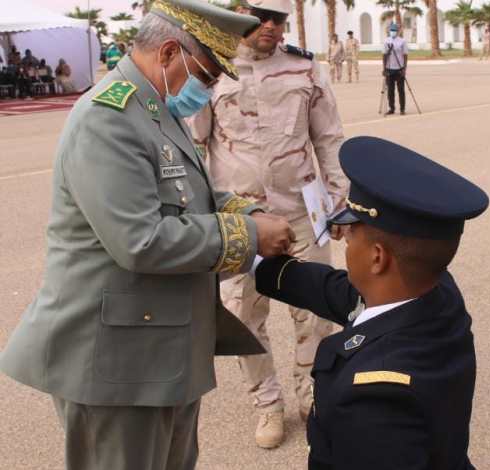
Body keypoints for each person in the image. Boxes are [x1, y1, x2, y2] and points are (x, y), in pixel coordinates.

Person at [0, 2, 298, 469]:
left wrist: (250, 213)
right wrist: (248, 235)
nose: (208, 89)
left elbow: (191, 195)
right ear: (169, 53)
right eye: (206, 76)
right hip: (118, 364)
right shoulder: (108, 118)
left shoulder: (154, 106)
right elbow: (140, 241)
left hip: (161, 351)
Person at [253, 136, 489, 469]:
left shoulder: (374, 399)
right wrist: (249, 254)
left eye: (351, 236)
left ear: (377, 258)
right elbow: (332, 290)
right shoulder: (436, 293)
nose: (346, 244)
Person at [188, 0, 348, 449]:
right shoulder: (212, 69)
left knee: (316, 312)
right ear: (239, 11)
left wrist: (339, 200)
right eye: (262, 16)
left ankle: (312, 397)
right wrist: (197, 215)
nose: (272, 26)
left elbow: (328, 137)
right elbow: (194, 145)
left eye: (279, 18)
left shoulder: (304, 69)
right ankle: (267, 403)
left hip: (300, 211)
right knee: (243, 314)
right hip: (240, 219)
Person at [383, 23, 408, 115]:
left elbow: (405, 55)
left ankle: (402, 108)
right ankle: (391, 108)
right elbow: (384, 55)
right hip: (389, 68)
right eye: (391, 30)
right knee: (390, 90)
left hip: (399, 68)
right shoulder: (386, 41)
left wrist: (404, 68)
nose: (392, 32)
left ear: (397, 32)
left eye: (394, 30)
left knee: (401, 90)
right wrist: (384, 68)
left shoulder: (402, 41)